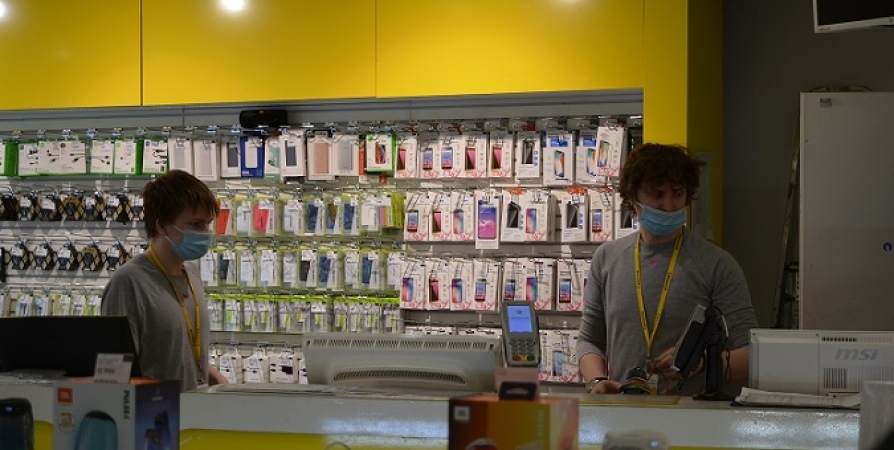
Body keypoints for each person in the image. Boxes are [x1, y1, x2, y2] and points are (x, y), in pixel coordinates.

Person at [577, 143, 758, 395]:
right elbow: (589, 340)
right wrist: (597, 381)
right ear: (633, 197)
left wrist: (701, 362)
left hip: (691, 413)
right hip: (623, 409)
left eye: (677, 193)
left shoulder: (716, 264)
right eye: (657, 194)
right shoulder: (607, 258)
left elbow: (752, 356)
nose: (669, 205)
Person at [102, 170, 227, 391]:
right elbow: (114, 375)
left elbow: (179, 355)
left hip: (196, 409)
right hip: (153, 410)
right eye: (196, 224)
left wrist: (218, 381)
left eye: (207, 224)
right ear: (162, 226)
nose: (205, 233)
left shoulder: (191, 273)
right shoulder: (128, 283)